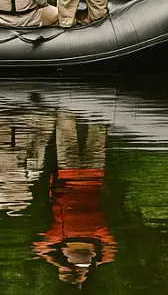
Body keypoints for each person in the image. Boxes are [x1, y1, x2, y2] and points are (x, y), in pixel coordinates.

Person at [31, 108, 117, 284]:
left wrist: (94, 264)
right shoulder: (62, 232)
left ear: (90, 249)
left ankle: (99, 102)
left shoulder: (98, 231)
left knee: (96, 128)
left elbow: (111, 253)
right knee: (66, 129)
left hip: (94, 172)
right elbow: (39, 248)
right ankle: (65, 104)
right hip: (68, 172)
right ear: (67, 249)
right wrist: (60, 265)